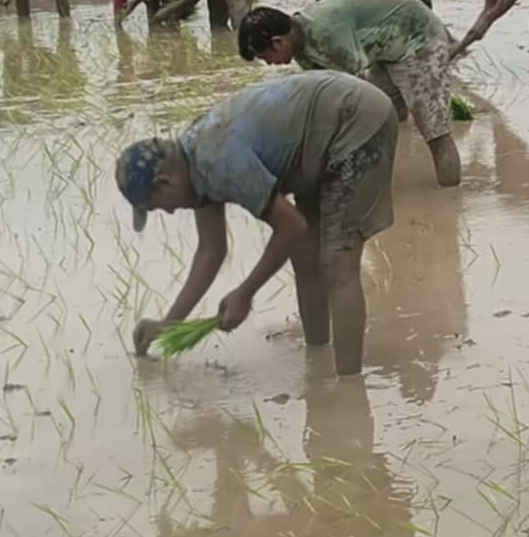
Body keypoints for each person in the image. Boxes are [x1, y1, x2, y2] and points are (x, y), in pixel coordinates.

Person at [118, 70, 399, 377]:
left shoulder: (218, 161)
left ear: (164, 183)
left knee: (338, 264)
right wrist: (168, 324)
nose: (170, 213)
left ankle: (348, 390)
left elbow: (292, 226)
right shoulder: (193, 165)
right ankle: (318, 356)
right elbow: (210, 251)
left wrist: (245, 292)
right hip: (319, 138)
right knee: (305, 256)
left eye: (159, 207)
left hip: (355, 120)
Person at [238, 0, 461, 187]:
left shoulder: (325, 33)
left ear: (278, 42)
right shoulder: (300, 48)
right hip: (384, 47)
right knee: (386, 116)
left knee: (434, 131)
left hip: (418, 38)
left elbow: (357, 92)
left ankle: (451, 201)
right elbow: (323, 95)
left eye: (265, 56)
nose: (269, 63)